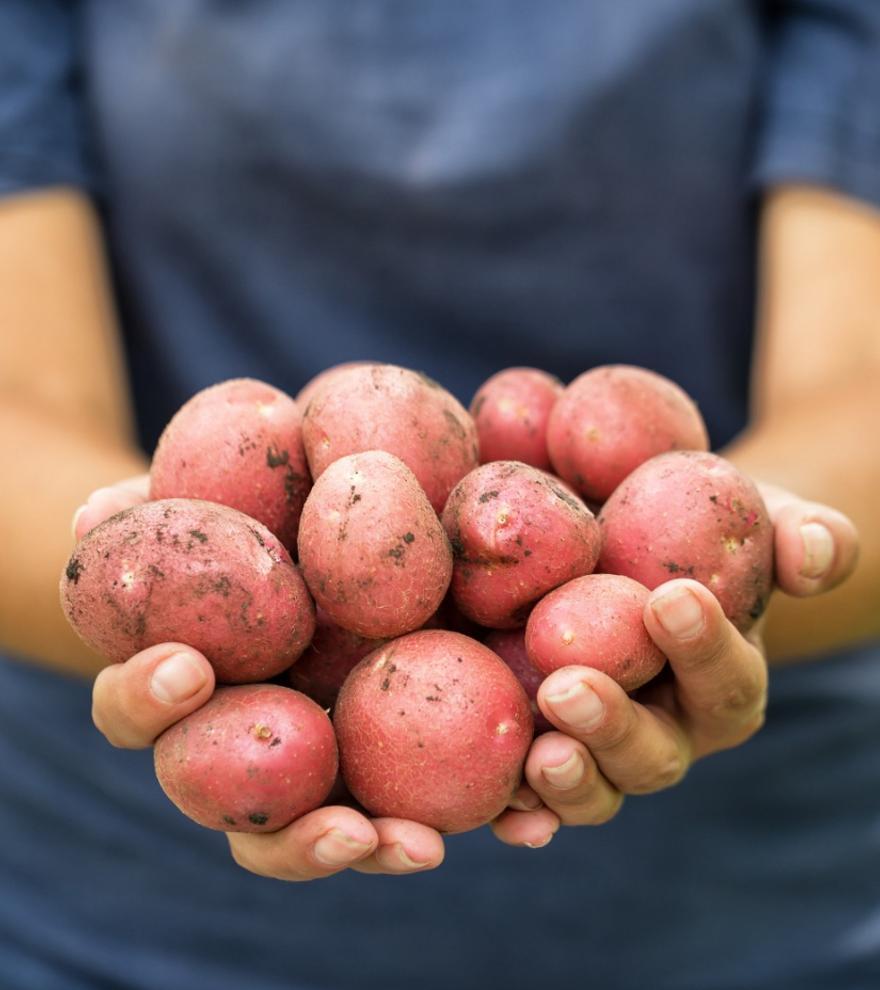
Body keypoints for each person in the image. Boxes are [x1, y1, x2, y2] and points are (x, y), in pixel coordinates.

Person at [0, 2, 877, 988]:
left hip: (751, 908)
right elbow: (17, 403)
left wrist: (734, 566)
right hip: (123, 925)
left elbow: (857, 382)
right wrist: (150, 593)